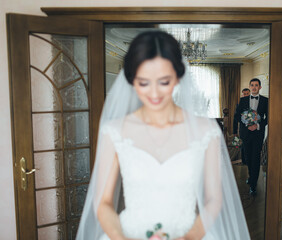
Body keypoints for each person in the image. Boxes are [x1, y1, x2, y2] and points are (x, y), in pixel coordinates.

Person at [76, 31, 250, 240]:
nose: (155, 93)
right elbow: (103, 203)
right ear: (131, 80)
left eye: (164, 82)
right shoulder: (114, 131)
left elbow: (213, 199)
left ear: (178, 77)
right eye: (143, 83)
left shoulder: (206, 131)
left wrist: (188, 237)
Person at [233, 78, 268, 196]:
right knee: (247, 158)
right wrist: (246, 121)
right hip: (245, 133)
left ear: (260, 87)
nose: (254, 87)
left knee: (256, 158)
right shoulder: (242, 100)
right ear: (250, 86)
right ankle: (251, 175)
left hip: (258, 134)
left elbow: (267, 118)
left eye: (256, 85)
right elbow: (237, 116)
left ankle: (253, 185)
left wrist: (257, 125)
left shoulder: (265, 100)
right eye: (252, 85)